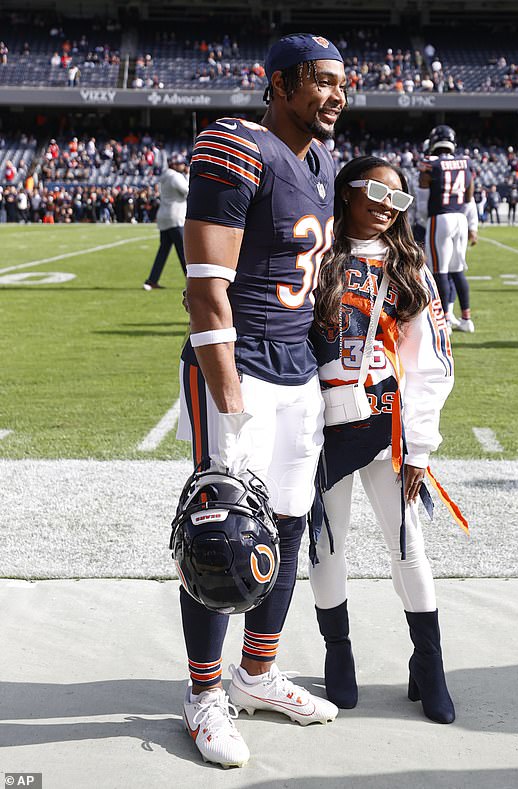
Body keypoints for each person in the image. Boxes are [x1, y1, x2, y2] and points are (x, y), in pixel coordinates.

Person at [176, 33, 346, 768]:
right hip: (238, 363)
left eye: (344, 82)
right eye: (322, 81)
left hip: (296, 365)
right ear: (278, 84)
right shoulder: (234, 143)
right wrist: (230, 401)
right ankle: (203, 692)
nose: (337, 94)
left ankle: (256, 673)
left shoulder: (325, 161)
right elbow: (206, 287)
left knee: (286, 522)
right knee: (220, 526)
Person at [308, 155, 456, 724]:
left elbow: (431, 362)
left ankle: (430, 664)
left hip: (384, 422)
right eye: (373, 191)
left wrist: (419, 445)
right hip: (319, 427)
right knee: (328, 544)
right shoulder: (315, 253)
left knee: (407, 545)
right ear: (346, 189)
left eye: (396, 200)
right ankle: (338, 654)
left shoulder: (408, 265)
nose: (383, 206)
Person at [420, 124, 475, 330]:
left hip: (440, 217)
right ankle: (466, 319)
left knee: (439, 271)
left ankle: (443, 320)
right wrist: (472, 225)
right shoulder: (466, 162)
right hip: (460, 217)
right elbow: (469, 198)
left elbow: (424, 199)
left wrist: (422, 219)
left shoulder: (430, 164)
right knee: (458, 270)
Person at [143, 155, 188, 290]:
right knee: (183, 251)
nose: (183, 166)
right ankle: (192, 281)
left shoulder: (165, 176)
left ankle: (152, 280)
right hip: (176, 217)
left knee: (163, 251)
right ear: (174, 164)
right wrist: (188, 176)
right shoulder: (175, 177)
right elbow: (188, 191)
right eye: (180, 163)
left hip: (165, 216)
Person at [446, 197, 477, 332]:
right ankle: (463, 317)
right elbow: (470, 203)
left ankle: (446, 317)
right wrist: (472, 226)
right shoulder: (465, 177)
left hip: (438, 220)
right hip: (460, 222)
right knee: (455, 272)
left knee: (440, 273)